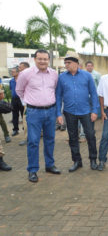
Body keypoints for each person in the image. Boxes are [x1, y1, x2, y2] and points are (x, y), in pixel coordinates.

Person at [16, 49, 60, 183]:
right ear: (35, 59)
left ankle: (49, 165)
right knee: (33, 141)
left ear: (49, 60)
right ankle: (33, 170)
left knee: (50, 139)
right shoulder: (25, 74)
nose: (43, 61)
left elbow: (55, 90)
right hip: (34, 112)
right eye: (40, 59)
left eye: (45, 59)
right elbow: (19, 90)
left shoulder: (54, 74)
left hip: (51, 111)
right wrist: (28, 103)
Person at [56, 53, 100, 172]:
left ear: (76, 63)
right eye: (65, 63)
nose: (66, 65)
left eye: (68, 63)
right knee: (73, 137)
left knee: (90, 136)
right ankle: (77, 161)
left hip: (86, 111)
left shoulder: (87, 76)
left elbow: (94, 94)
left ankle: (93, 160)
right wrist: (58, 114)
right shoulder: (62, 77)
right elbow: (58, 96)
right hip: (69, 112)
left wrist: (95, 111)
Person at [17, 62, 30, 146]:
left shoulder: (27, 76)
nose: (19, 68)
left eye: (20, 67)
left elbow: (19, 90)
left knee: (25, 120)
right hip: (26, 103)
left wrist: (26, 100)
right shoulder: (22, 76)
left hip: (28, 104)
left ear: (25, 68)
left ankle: (26, 138)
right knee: (26, 121)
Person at [9, 67, 25, 136]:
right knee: (14, 115)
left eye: (13, 72)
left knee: (23, 115)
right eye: (11, 72)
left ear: (18, 72)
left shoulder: (22, 80)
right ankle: (15, 130)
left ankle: (25, 129)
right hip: (14, 100)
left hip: (21, 99)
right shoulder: (11, 81)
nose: (12, 73)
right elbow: (11, 89)